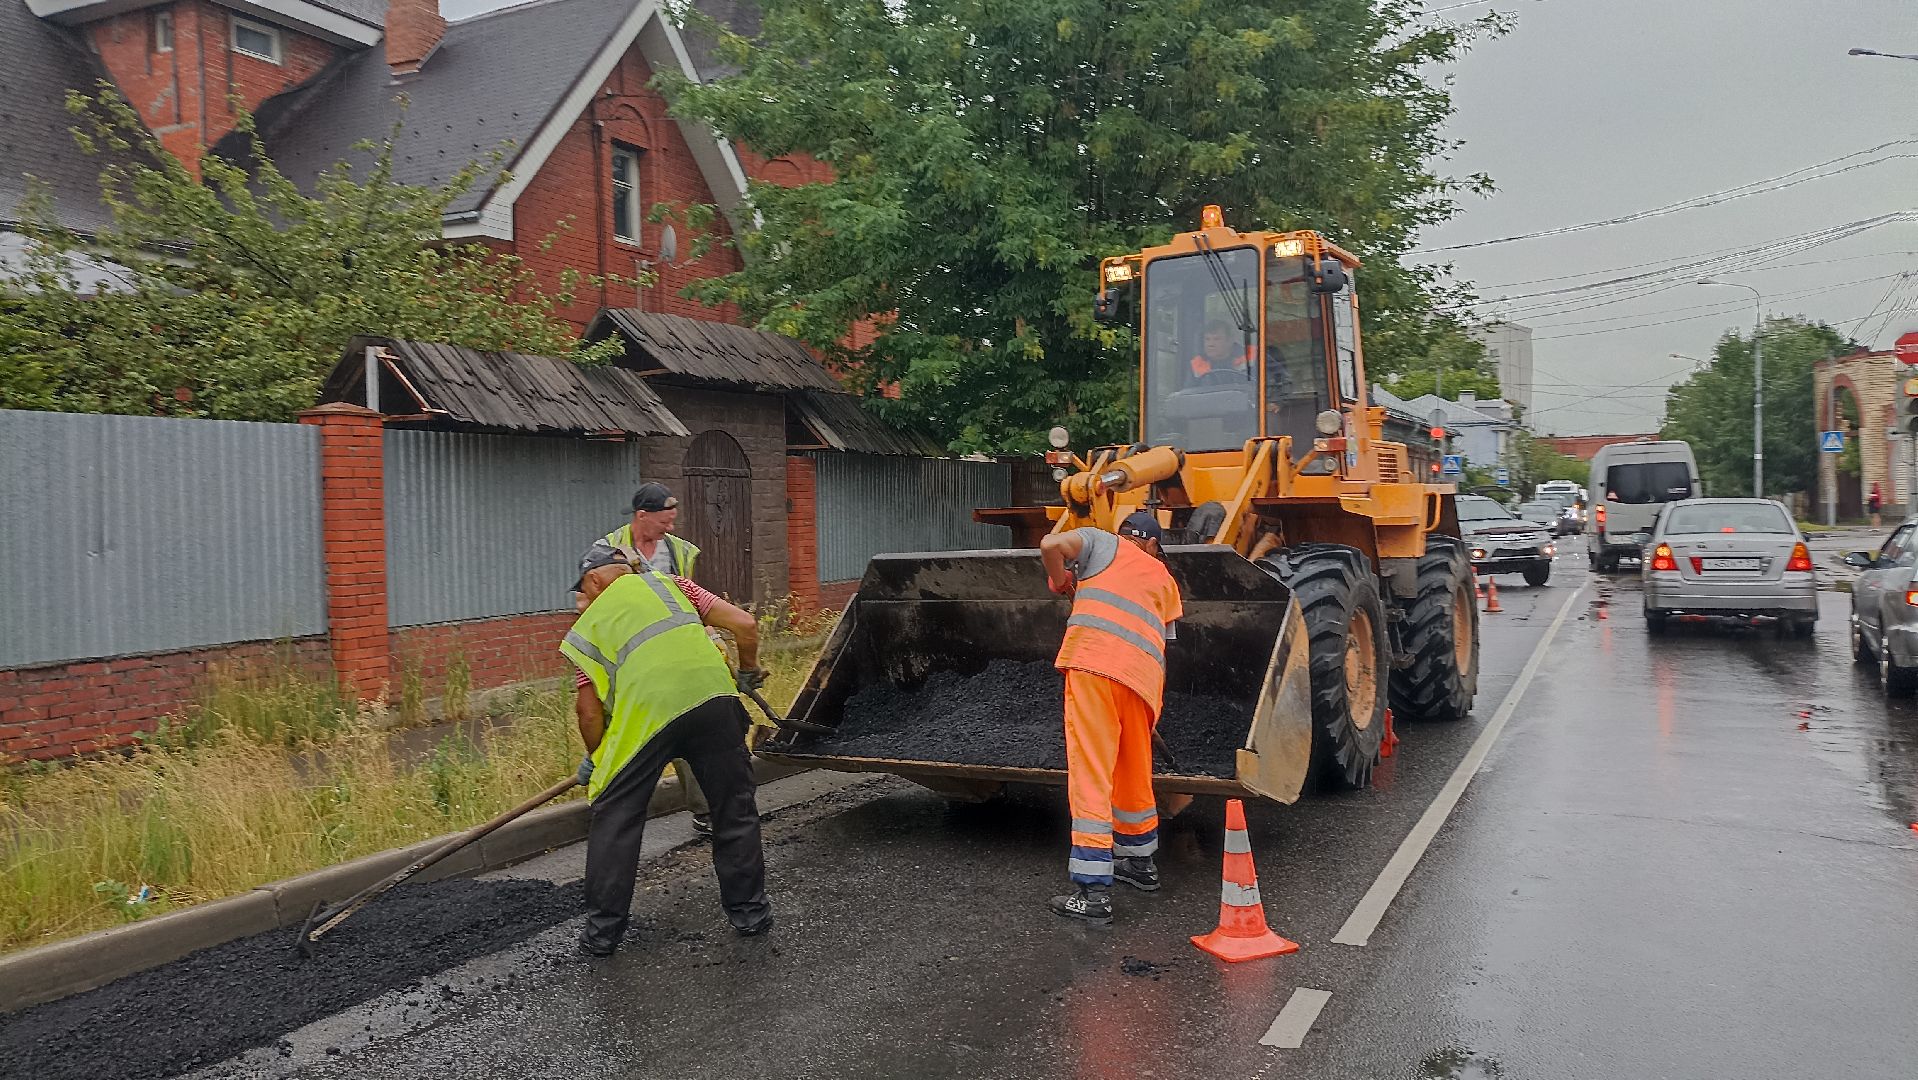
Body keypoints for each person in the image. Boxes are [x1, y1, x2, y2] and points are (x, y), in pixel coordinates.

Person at [565, 539, 772, 955]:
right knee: (733, 808)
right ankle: (751, 914)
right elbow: (745, 625)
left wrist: (596, 758)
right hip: (715, 703)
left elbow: (589, 713)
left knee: (616, 819)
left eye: (582, 591)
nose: (582, 599)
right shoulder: (675, 585)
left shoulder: (589, 624)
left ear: (593, 579)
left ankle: (602, 935)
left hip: (650, 719)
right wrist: (747, 671)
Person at [1037, 510, 1184, 925]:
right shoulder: (1164, 580)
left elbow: (1050, 545)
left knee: (1091, 774)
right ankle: (1140, 865)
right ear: (1154, 545)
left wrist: (1064, 581)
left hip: (1094, 668)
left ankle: (1093, 891)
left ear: (1121, 534)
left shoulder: (1100, 541)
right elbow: (1161, 640)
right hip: (1142, 683)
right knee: (1133, 773)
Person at [591, 482, 711, 835]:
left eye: (674, 521)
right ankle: (613, 810)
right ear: (642, 516)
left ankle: (704, 811)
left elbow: (693, 602)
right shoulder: (606, 550)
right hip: (626, 656)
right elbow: (590, 599)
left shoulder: (679, 551)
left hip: (673, 655)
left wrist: (710, 640)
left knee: (686, 727)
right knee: (625, 731)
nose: (670, 529)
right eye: (664, 522)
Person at [1188, 316, 1253, 383]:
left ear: (1229, 341)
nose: (1210, 344)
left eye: (1216, 339)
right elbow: (1188, 391)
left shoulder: (1249, 360)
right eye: (1207, 339)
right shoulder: (1196, 365)